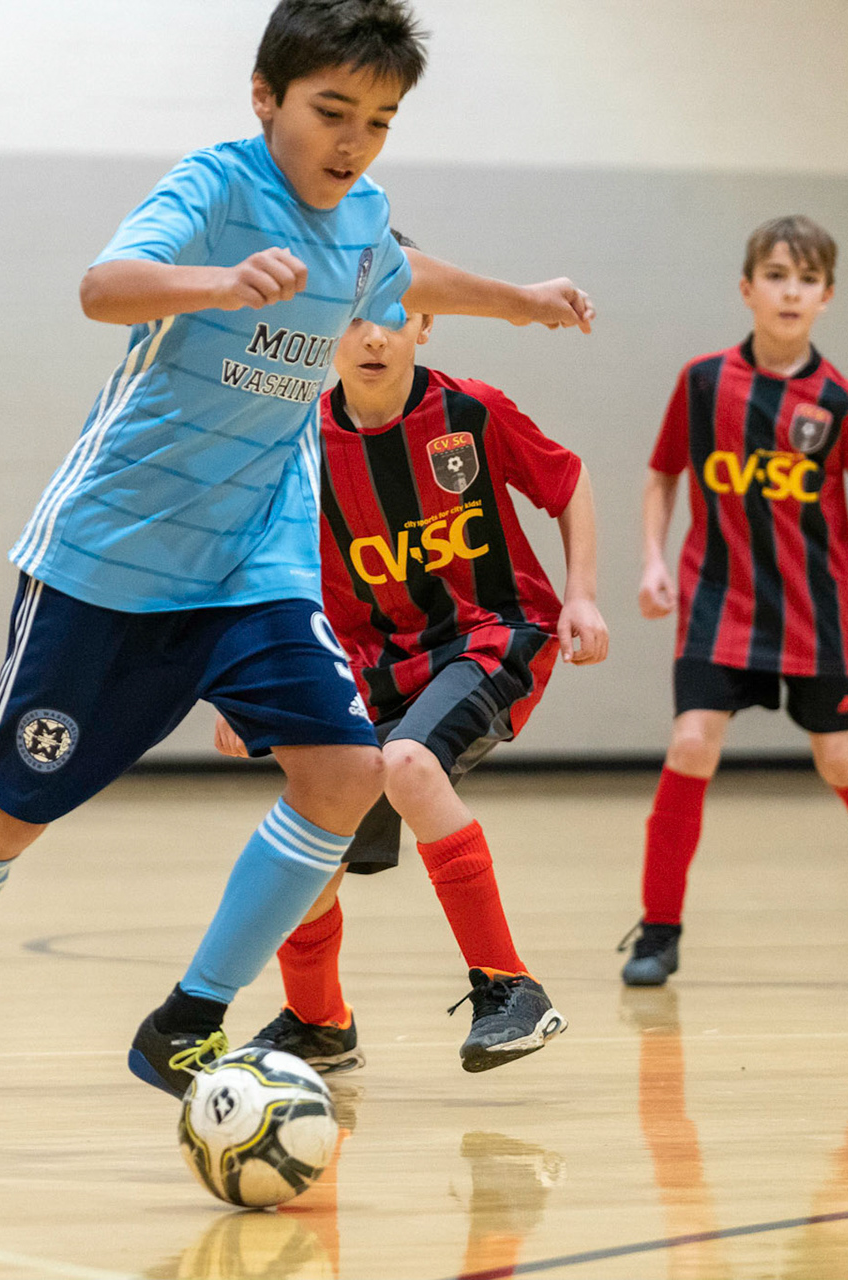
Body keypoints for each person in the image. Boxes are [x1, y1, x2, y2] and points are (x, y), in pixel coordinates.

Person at [0, 0, 597, 1134]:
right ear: (267, 97)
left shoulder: (361, 222)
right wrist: (214, 284)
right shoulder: (212, 187)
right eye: (330, 112)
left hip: (256, 559)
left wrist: (523, 301)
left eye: (380, 121)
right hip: (111, 558)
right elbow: (102, 287)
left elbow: (402, 271)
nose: (351, 142)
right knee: (13, 807)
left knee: (346, 775)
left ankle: (186, 1019)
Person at [220, 250, 607, 1074]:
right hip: (369, 666)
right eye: (353, 317)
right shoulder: (301, 448)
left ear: (426, 323)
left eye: (393, 314)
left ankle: (511, 987)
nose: (372, 336)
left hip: (490, 635)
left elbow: (568, 483)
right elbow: (267, 572)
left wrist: (581, 595)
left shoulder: (473, 413)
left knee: (408, 762)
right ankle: (319, 1021)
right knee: (306, 828)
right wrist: (238, 686)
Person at [622, 215, 848, 987]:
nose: (789, 290)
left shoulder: (841, 402)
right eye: (775, 274)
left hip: (810, 614)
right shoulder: (702, 383)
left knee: (840, 759)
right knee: (692, 745)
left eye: (806, 278)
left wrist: (844, 579)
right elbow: (663, 473)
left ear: (827, 296)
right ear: (747, 289)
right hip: (714, 602)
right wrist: (653, 561)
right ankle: (658, 932)